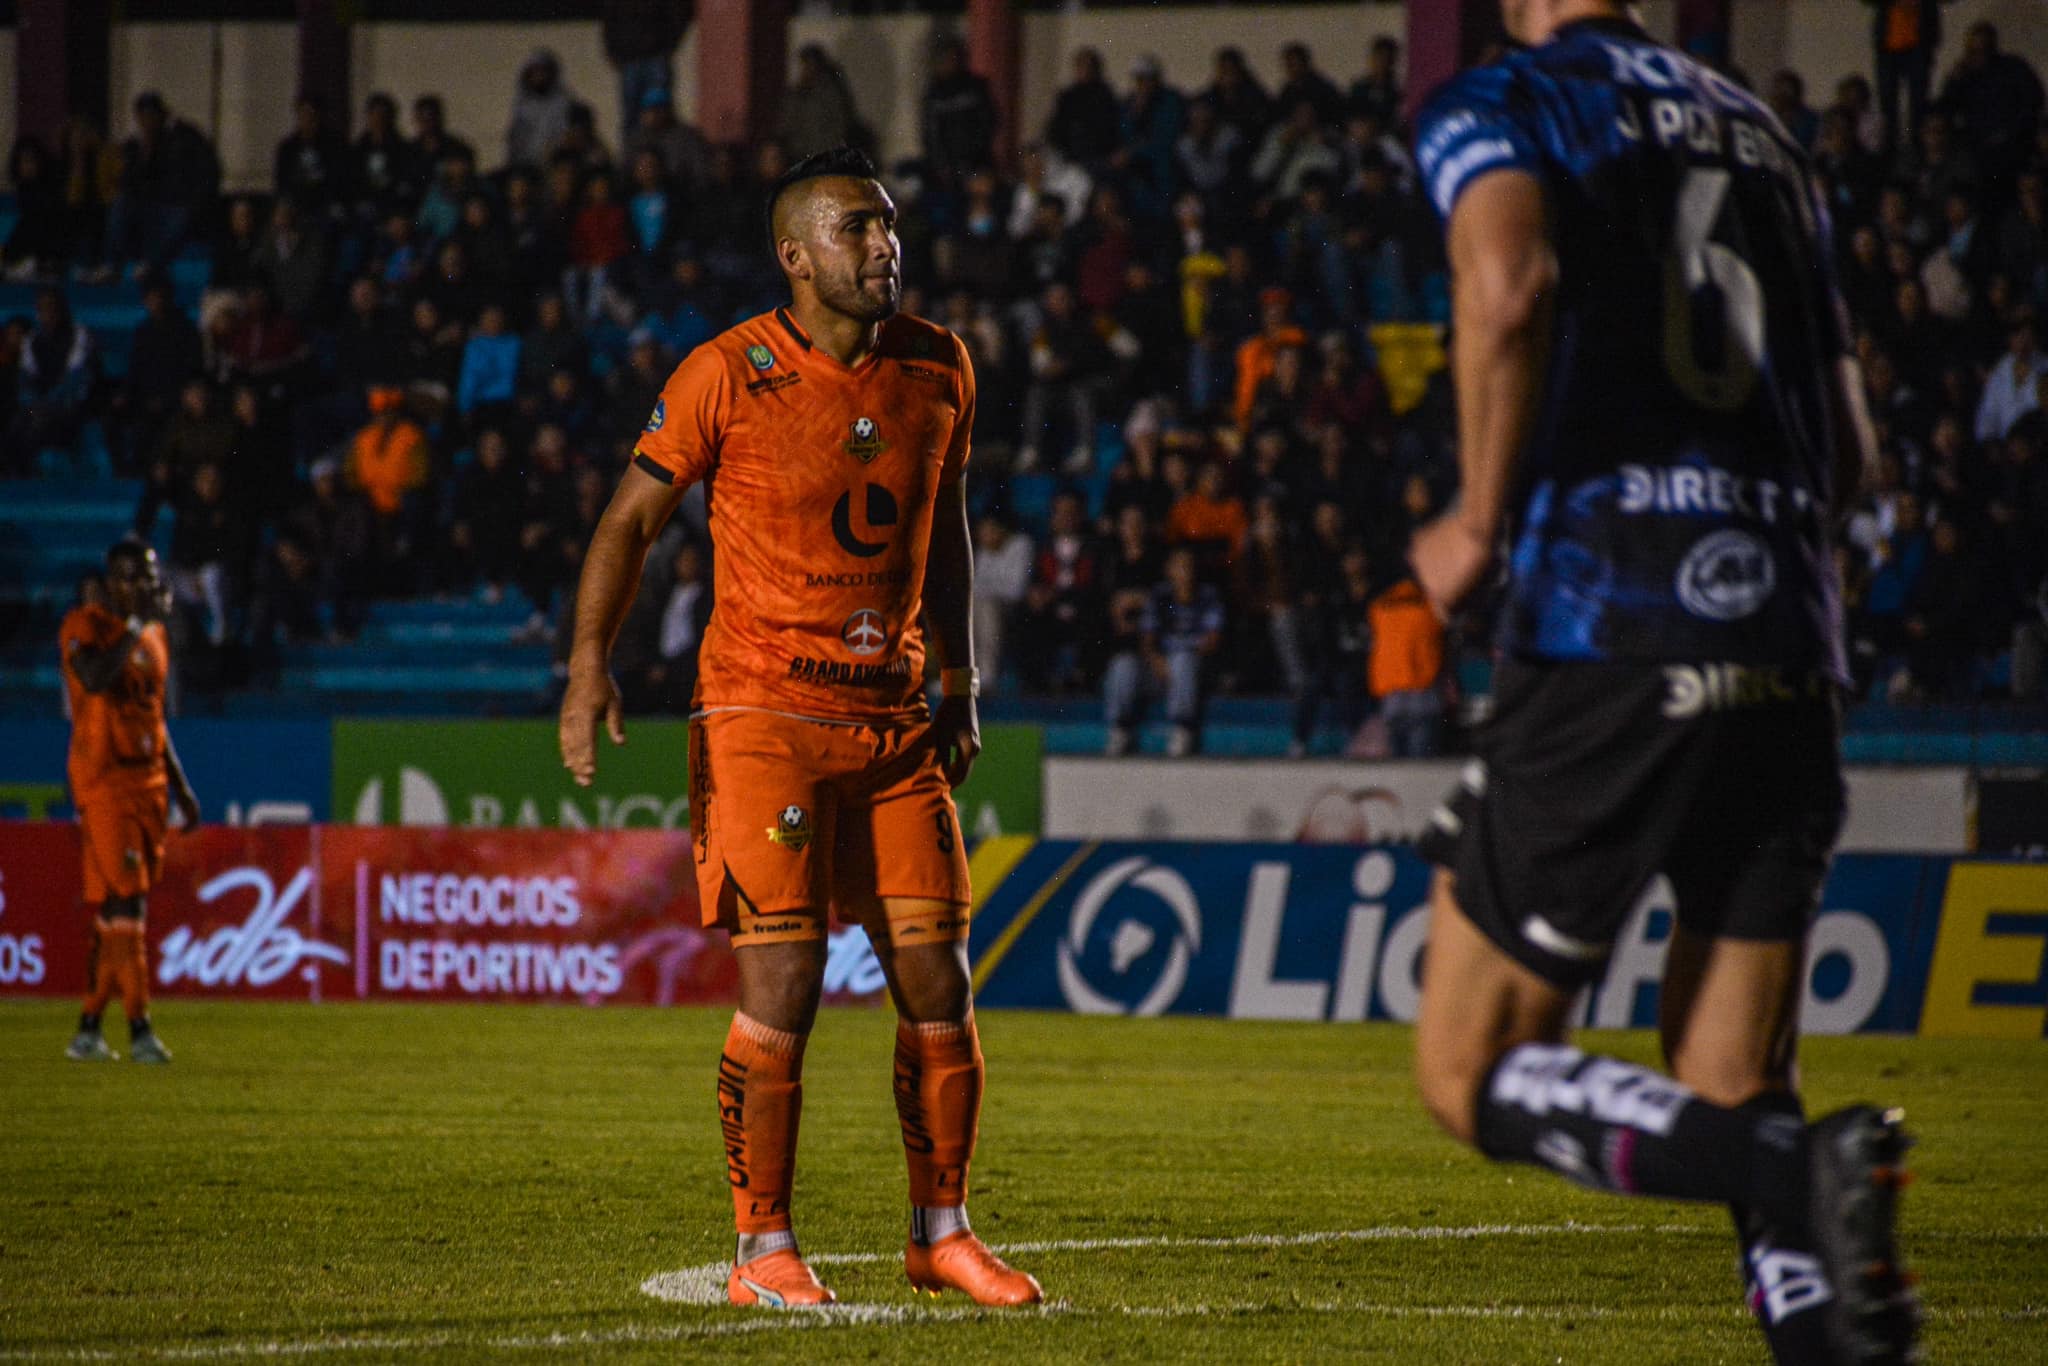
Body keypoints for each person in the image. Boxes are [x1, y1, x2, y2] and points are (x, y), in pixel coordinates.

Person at [1409, 5, 1917, 1365]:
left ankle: (1787, 1165)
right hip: (1786, 637)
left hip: (1611, 620)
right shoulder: (1767, 138)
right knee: (1730, 1073)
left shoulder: (1509, 102)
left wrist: (1472, 517)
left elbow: (1506, 286)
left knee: (1467, 1067)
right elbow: (1856, 448)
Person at [557, 145, 1040, 1311]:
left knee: (938, 975)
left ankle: (941, 1232)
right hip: (759, 711)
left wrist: (961, 674)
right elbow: (629, 522)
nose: (882, 245)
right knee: (786, 982)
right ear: (795, 257)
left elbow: (950, 520)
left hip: (892, 719)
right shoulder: (726, 372)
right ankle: (760, 1246)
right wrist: (587, 667)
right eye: (853, 230)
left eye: (885, 225)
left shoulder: (941, 366)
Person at [62, 540, 199, 1065]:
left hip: (148, 787)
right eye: (129, 577)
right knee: (130, 903)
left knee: (117, 910)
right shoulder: (86, 627)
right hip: (105, 783)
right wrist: (138, 627)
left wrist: (181, 787)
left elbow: (154, 721)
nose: (142, 586)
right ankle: (140, 1028)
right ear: (111, 583)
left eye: (147, 575)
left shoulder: (157, 637)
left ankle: (88, 1027)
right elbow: (95, 680)